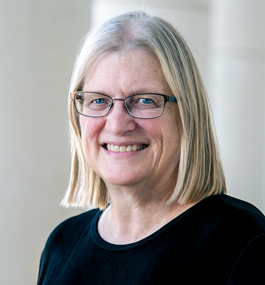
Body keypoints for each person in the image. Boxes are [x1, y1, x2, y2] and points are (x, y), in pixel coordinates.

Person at [37, 11, 265, 284]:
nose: (118, 124)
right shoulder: (62, 245)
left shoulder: (243, 242)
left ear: (187, 115)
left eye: (145, 100)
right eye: (98, 100)